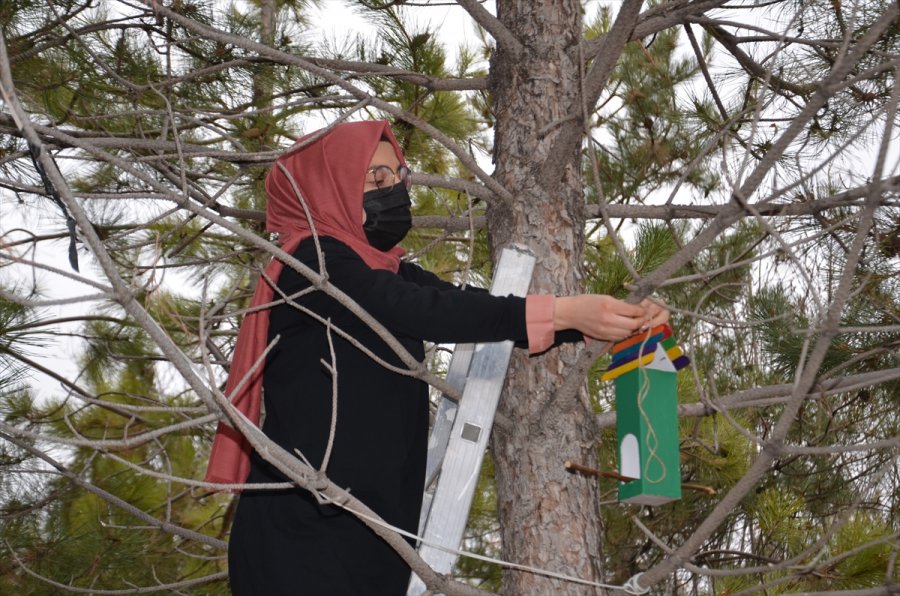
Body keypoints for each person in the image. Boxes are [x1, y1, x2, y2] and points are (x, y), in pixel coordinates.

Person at [205, 120, 668, 595]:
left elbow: (469, 309)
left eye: (398, 177)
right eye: (376, 179)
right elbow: (418, 310)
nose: (395, 191)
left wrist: (605, 319)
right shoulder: (311, 264)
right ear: (330, 186)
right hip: (303, 535)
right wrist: (567, 310)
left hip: (376, 536)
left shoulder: (388, 271)